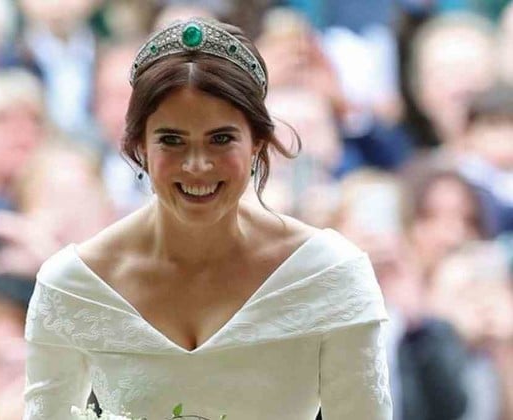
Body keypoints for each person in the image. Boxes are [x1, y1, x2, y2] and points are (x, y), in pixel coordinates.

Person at [24, 18, 392, 420]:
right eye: (172, 140)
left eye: (220, 139)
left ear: (257, 142)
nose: (197, 164)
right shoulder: (74, 284)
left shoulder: (330, 273)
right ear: (139, 145)